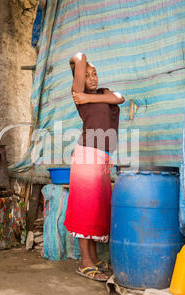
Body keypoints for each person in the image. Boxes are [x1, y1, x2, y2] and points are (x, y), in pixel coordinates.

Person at [64, 52, 125, 282]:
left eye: (95, 73)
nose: (92, 78)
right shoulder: (78, 94)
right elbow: (79, 57)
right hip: (87, 155)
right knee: (85, 210)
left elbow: (119, 98)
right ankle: (85, 262)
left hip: (102, 158)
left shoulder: (102, 94)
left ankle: (93, 258)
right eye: (87, 75)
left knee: (95, 209)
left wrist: (91, 99)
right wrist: (79, 61)